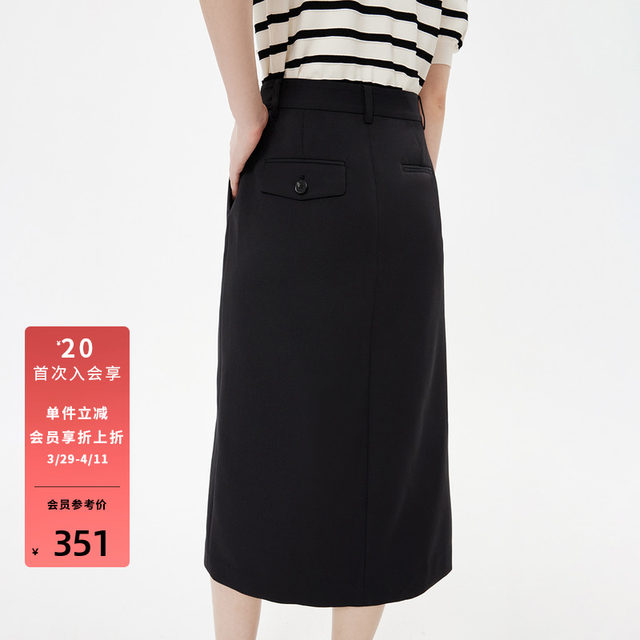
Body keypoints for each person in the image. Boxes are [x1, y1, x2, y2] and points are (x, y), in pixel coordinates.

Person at [199, 1, 469, 638]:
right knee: (384, 430)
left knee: (257, 421)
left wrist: (247, 114)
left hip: (296, 145)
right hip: (404, 166)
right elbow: (434, 99)